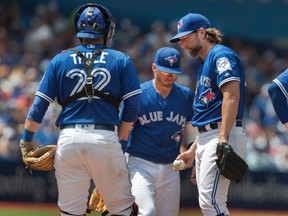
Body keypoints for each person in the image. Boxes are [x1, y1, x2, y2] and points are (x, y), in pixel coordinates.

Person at [19, 3, 141, 216]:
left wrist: (26, 140)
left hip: (69, 140)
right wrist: (120, 142)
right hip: (105, 137)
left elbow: (39, 107)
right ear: (105, 30)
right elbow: (132, 106)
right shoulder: (121, 59)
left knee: (70, 212)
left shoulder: (59, 59)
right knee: (123, 210)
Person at [170, 13, 247, 216]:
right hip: (208, 136)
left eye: (186, 37)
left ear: (202, 33)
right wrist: (194, 150)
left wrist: (222, 140)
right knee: (210, 202)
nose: (182, 43)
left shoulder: (220, 55)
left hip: (222, 134)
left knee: (211, 203)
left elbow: (232, 95)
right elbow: (209, 114)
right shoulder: (204, 63)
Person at [123, 46, 198, 216]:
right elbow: (123, 133)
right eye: (165, 70)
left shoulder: (185, 95)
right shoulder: (139, 94)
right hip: (140, 164)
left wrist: (195, 159)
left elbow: (192, 131)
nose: (170, 75)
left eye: (174, 71)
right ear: (154, 67)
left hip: (171, 168)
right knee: (146, 212)